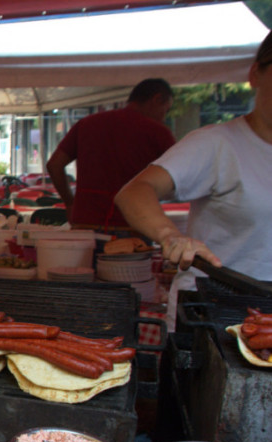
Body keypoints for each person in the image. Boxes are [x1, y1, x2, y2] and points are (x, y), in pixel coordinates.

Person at [115, 32, 272, 328]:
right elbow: (134, 191)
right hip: (212, 311)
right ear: (255, 74)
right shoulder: (216, 144)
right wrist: (170, 235)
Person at [46, 78, 176, 233]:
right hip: (133, 224)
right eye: (166, 110)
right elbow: (178, 176)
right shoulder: (158, 132)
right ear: (157, 99)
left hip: (86, 222)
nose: (164, 117)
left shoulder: (87, 124)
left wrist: (69, 203)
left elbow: (54, 164)